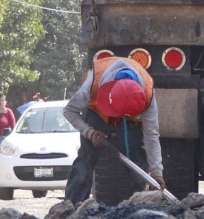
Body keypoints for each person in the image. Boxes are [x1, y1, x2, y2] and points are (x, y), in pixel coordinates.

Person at [63, 55, 163, 202]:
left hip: (128, 122)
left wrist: (156, 173)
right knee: (86, 159)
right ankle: (71, 207)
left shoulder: (147, 94)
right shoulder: (92, 85)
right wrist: (90, 133)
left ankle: (138, 205)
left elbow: (151, 135)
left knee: (136, 158)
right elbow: (69, 111)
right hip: (96, 114)